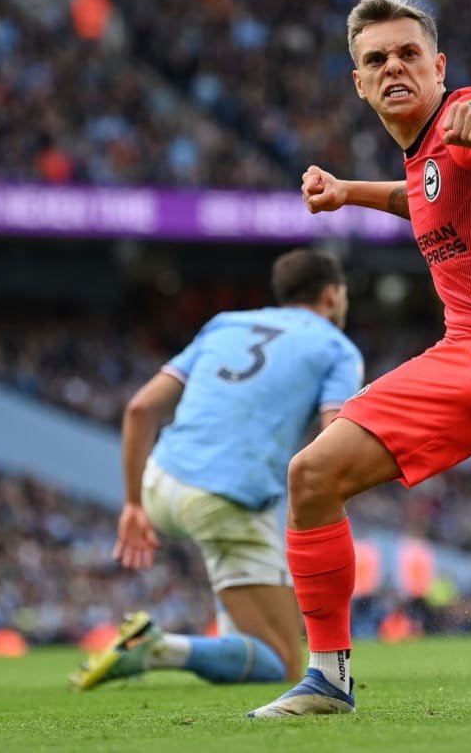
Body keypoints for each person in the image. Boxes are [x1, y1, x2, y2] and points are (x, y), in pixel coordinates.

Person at [249, 0, 471, 718]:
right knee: (311, 474)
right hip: (460, 352)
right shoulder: (422, 156)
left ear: (439, 67)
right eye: (377, 59)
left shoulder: (468, 115)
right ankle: (328, 678)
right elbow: (425, 193)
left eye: (409, 53)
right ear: (358, 82)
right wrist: (348, 192)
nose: (394, 67)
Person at [71, 249, 364, 690]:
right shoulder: (337, 349)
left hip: (159, 481)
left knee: (250, 626)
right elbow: (335, 437)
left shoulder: (226, 323)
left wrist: (132, 504)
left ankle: (227, 640)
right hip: (225, 499)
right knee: (284, 661)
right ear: (333, 294)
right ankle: (158, 647)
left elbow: (140, 409)